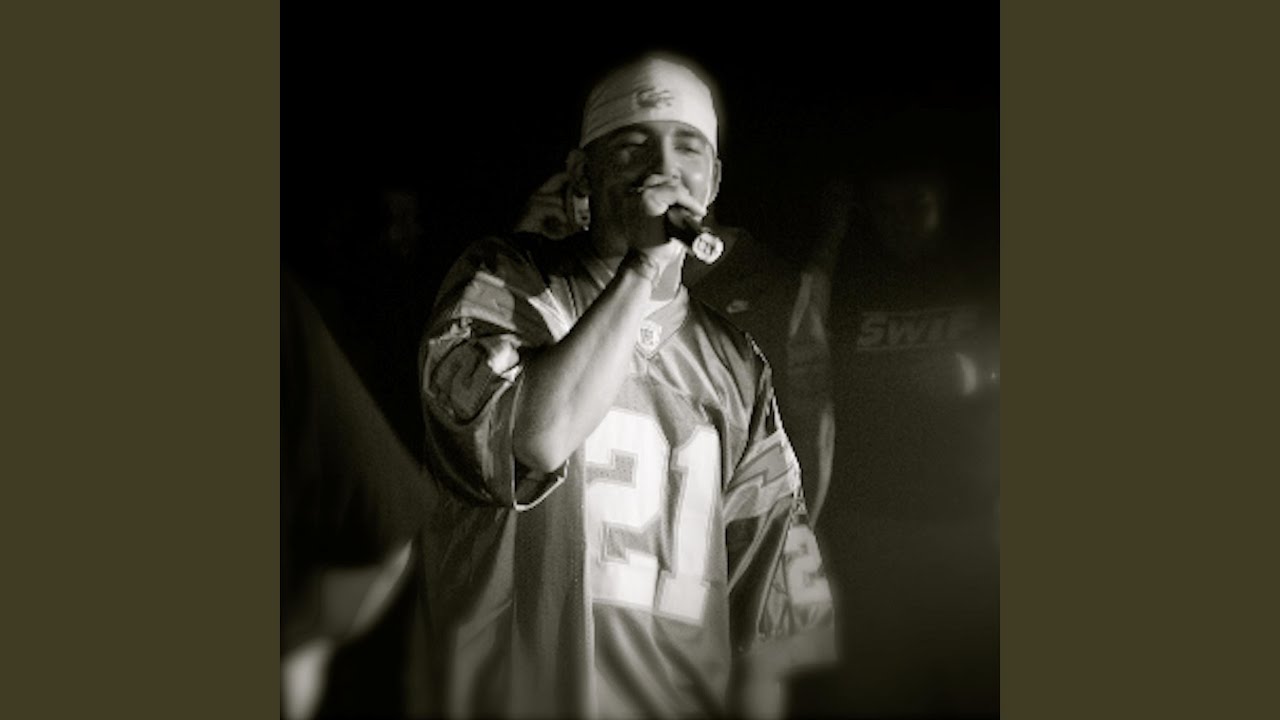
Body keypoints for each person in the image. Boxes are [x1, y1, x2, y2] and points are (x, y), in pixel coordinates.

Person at [418, 52, 835, 719]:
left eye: (687, 147)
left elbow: (771, 603)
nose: (662, 168)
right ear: (582, 174)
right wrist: (644, 268)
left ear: (714, 178)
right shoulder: (504, 283)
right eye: (632, 146)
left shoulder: (736, 363)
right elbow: (537, 438)